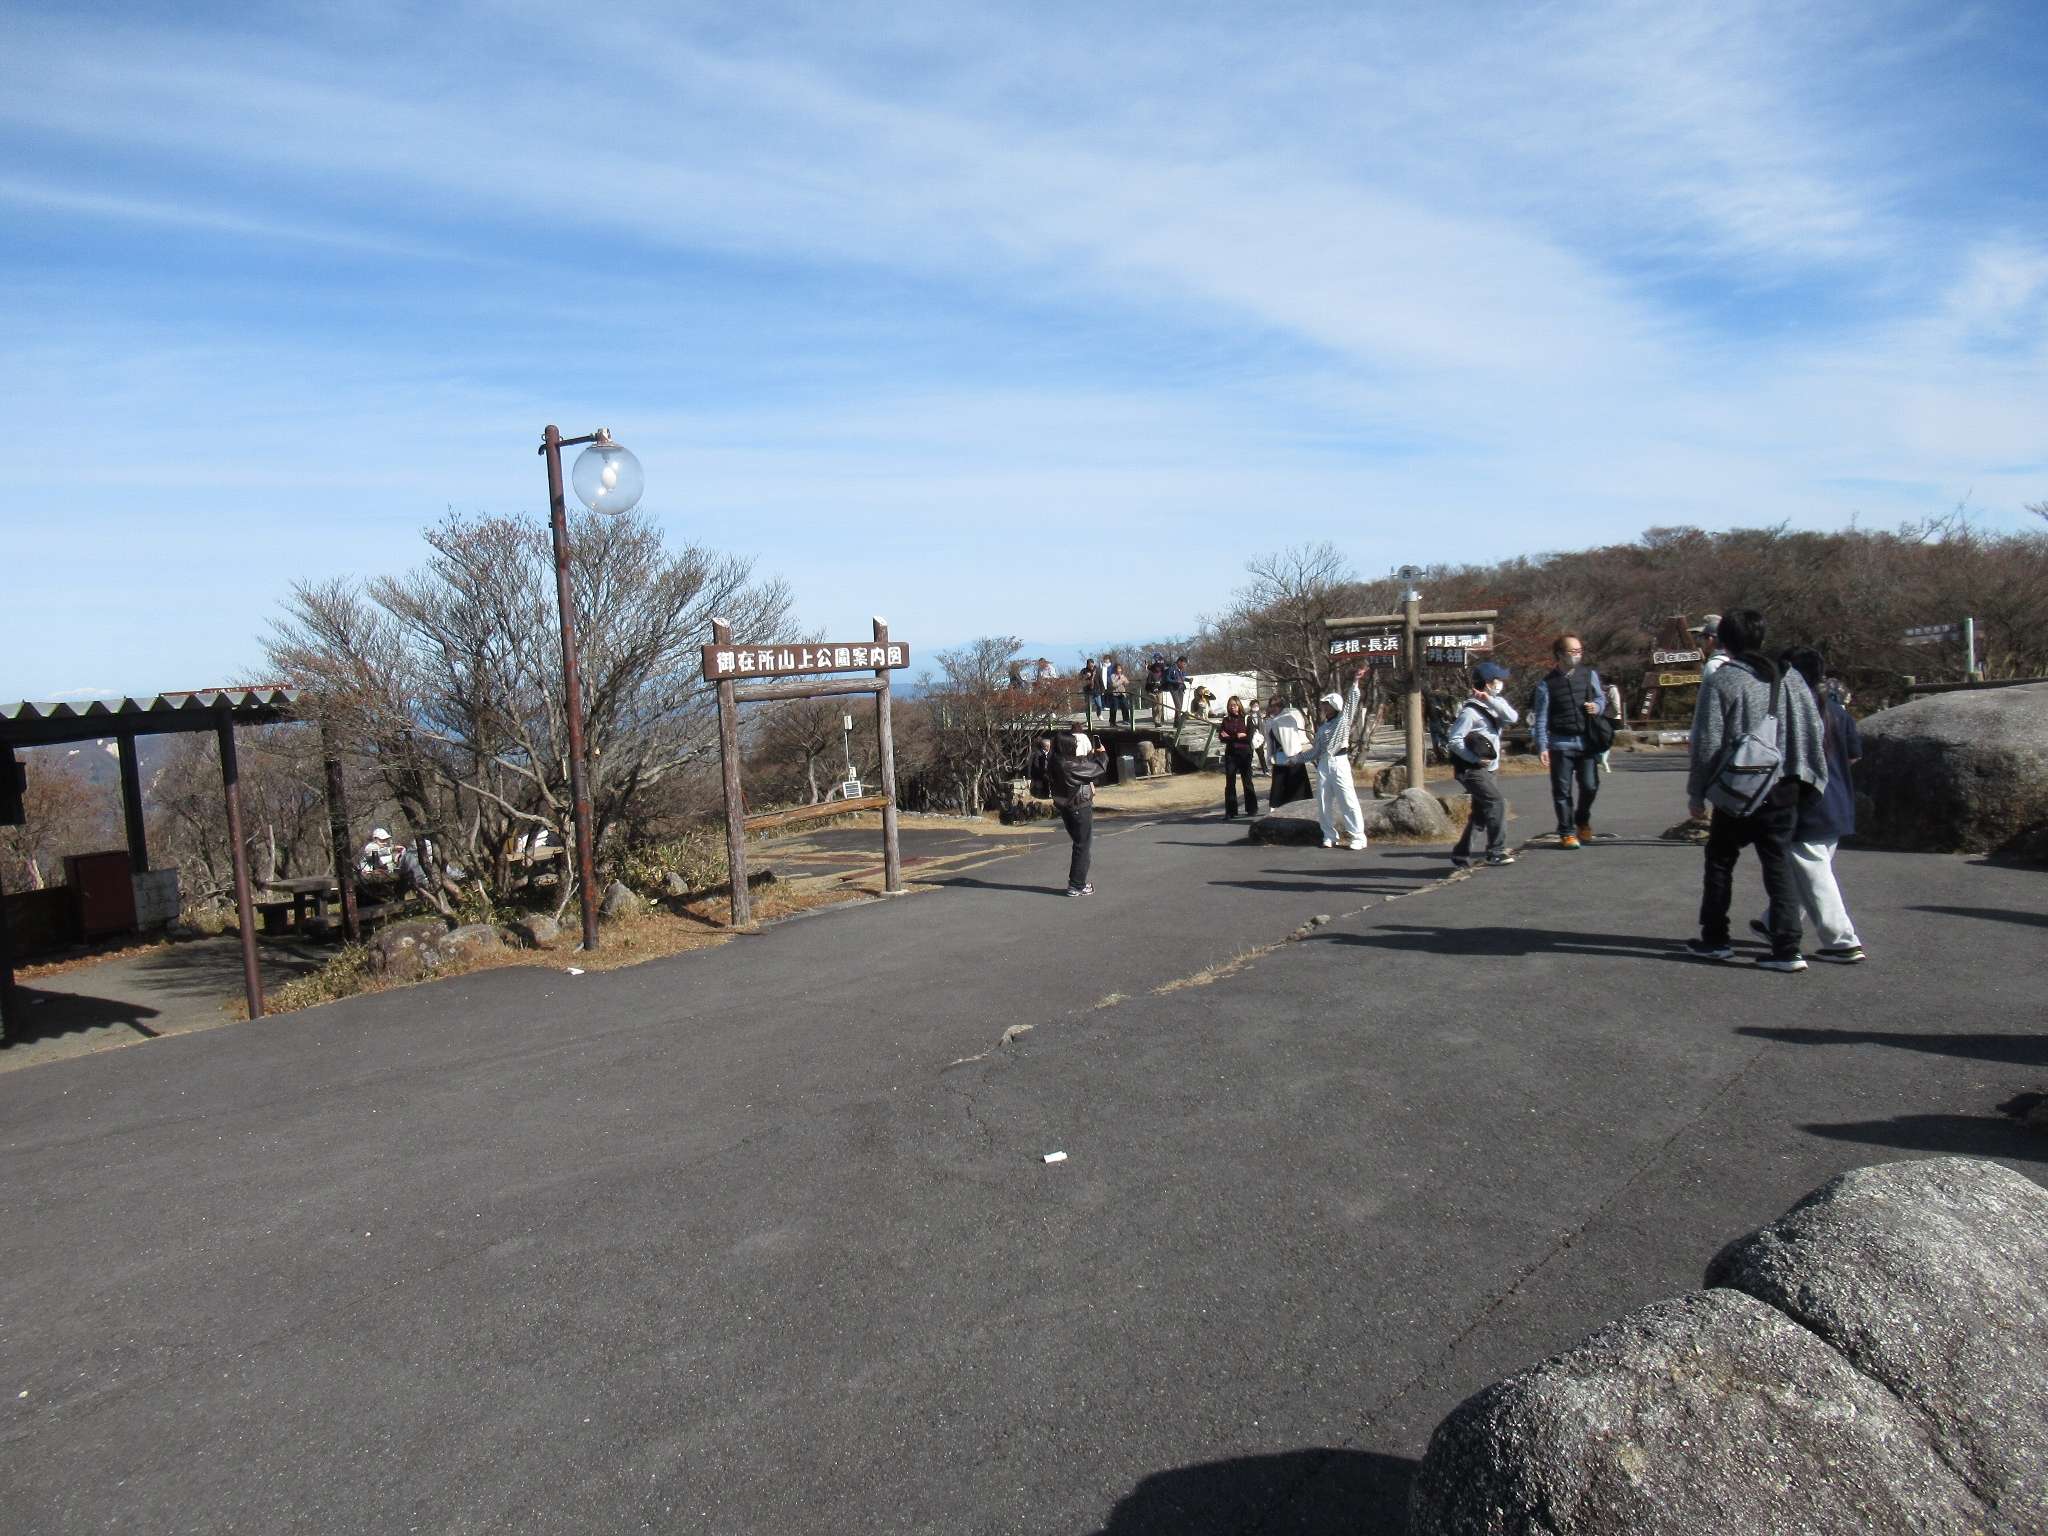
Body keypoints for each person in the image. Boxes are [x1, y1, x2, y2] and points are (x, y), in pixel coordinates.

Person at [1685, 608, 1828, 971]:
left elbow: (1706, 742)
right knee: (1778, 864)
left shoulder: (1724, 680)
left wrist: (1697, 792)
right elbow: (1813, 727)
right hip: (1785, 787)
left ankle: (1715, 939)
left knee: (1720, 860)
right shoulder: (1791, 677)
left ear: (1724, 641)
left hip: (1739, 790)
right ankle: (1788, 948)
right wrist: (1810, 775)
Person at [1751, 646, 1865, 963]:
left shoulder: (1793, 713)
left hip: (1807, 805)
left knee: (1814, 873)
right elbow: (1854, 755)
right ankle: (1772, 922)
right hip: (1839, 802)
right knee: (1809, 869)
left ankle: (1842, 941)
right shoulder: (1838, 712)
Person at [1530, 634, 1606, 848]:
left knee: (1590, 786)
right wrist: (1542, 745)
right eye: (1572, 652)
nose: (1577, 655)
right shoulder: (1546, 684)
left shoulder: (1589, 675)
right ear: (1559, 655)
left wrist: (1597, 707)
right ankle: (1567, 831)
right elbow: (1541, 717)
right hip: (1560, 743)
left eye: (1579, 651)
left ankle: (1582, 819)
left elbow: (1601, 698)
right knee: (1562, 791)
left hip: (1587, 741)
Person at [1446, 663, 1519, 867]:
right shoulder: (1470, 712)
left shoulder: (1496, 703)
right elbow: (1453, 740)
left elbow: (1513, 717)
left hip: (1490, 768)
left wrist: (1490, 701)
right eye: (1498, 680)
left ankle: (1461, 854)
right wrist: (1474, 759)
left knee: (1480, 813)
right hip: (1472, 769)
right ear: (1488, 683)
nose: (1501, 683)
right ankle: (1495, 851)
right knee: (1497, 803)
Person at [1309, 668, 1368, 849]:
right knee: (1323, 801)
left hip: (1340, 761)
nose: (1324, 707)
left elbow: (1351, 704)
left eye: (1327, 704)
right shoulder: (1322, 728)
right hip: (1324, 765)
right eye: (1323, 704)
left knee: (1347, 799)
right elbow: (1315, 752)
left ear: (1334, 705)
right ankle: (1329, 835)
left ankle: (1358, 836)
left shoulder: (1343, 721)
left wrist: (1355, 683)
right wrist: (1294, 759)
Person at [1047, 729, 1106, 896]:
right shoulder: (1068, 766)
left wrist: (1092, 756)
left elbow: (1082, 765)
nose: (1076, 746)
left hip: (1067, 808)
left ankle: (1076, 883)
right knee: (1083, 846)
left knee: (1079, 844)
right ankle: (1077, 885)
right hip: (1079, 807)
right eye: (1073, 744)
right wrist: (1102, 755)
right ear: (1067, 747)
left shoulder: (1056, 761)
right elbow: (1098, 769)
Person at [1262, 694, 1314, 807]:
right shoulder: (1272, 721)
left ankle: (1297, 809)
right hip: (1279, 757)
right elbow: (1271, 742)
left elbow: (1291, 739)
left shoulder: (1287, 718)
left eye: (1275, 706)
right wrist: (1270, 757)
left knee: (1295, 787)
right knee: (1279, 786)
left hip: (1292, 757)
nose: (1272, 708)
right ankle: (1278, 809)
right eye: (1271, 706)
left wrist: (1293, 756)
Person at [1216, 696, 1259, 818]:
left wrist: (1231, 736)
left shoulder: (1246, 719)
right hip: (1231, 754)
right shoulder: (1226, 720)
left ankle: (1251, 808)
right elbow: (1222, 737)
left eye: (1235, 704)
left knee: (1247, 781)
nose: (1232, 707)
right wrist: (1237, 736)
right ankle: (1230, 811)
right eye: (1230, 705)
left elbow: (1248, 737)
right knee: (1230, 782)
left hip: (1245, 753)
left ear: (1239, 705)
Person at [1108, 661, 1134, 726]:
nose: (1119, 670)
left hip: (1122, 693)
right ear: (1115, 669)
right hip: (1114, 694)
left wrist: (1125, 681)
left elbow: (1127, 682)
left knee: (1125, 706)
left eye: (1120, 669)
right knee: (1114, 708)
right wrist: (1120, 680)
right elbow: (1114, 685)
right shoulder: (1112, 676)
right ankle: (1112, 722)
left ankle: (1126, 720)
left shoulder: (1122, 676)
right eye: (1118, 669)